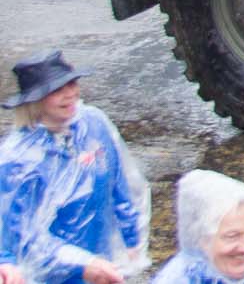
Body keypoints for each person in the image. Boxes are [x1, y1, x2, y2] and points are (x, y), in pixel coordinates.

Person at [0, 51, 148, 284]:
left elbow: (119, 184)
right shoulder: (19, 159)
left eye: (71, 84)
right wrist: (80, 265)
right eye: (57, 90)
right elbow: (20, 234)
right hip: (51, 273)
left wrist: (132, 240)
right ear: (35, 100)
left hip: (101, 263)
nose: (69, 94)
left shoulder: (94, 125)